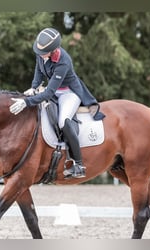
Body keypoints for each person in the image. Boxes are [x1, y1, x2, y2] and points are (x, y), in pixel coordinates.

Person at [10, 27, 104, 179]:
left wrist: (26, 102)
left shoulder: (63, 61)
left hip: (69, 93)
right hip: (53, 90)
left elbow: (48, 93)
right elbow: (39, 72)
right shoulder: (41, 54)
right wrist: (33, 88)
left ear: (53, 50)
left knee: (63, 121)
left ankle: (79, 164)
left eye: (43, 53)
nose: (40, 55)